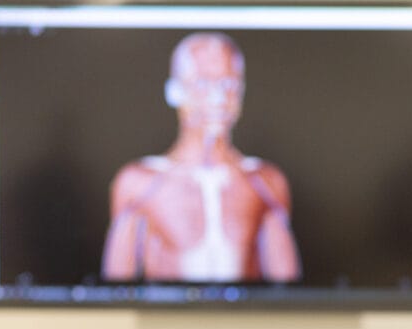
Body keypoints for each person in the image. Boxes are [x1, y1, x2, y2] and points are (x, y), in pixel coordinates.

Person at [102, 33, 301, 283]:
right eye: (203, 84)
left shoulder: (265, 182)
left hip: (243, 309)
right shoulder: (139, 183)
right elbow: (116, 293)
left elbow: (286, 293)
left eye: (228, 85)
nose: (217, 99)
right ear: (174, 91)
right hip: (169, 309)